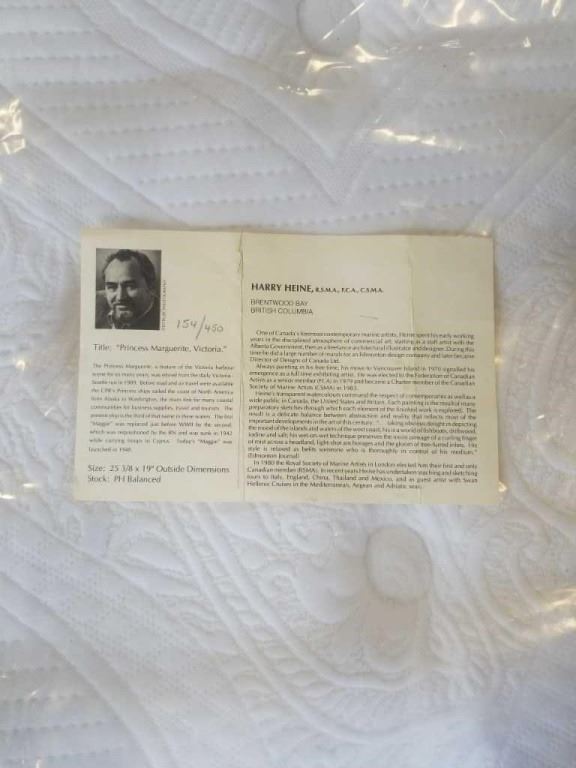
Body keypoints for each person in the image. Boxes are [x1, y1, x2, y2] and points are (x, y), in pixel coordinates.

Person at [96, 249, 160, 330]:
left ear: (151, 287)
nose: (120, 297)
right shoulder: (95, 308)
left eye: (130, 286)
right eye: (112, 287)